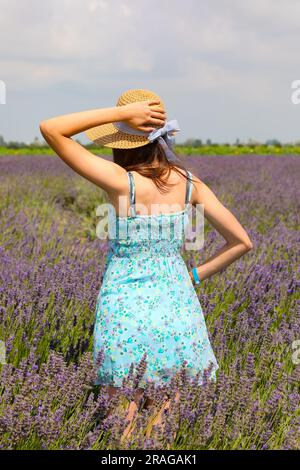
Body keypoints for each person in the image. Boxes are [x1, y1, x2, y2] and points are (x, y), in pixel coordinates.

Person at [39, 88, 253, 441]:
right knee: (160, 430)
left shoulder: (122, 183)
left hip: (125, 308)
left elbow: (51, 128)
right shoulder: (189, 184)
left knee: (122, 428)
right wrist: (194, 275)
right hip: (178, 307)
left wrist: (117, 115)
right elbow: (242, 242)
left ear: (120, 141)